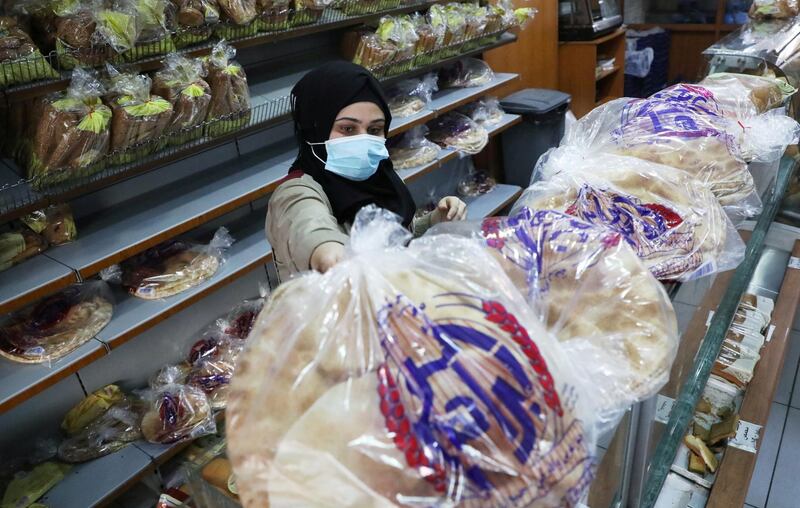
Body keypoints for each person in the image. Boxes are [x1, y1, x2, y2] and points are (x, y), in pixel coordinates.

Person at [266, 62, 468, 280]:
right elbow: (309, 228)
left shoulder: (378, 178)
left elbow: (388, 242)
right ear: (315, 129)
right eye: (347, 129)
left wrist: (433, 222)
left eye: (374, 130)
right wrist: (327, 251)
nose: (363, 139)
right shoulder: (296, 191)